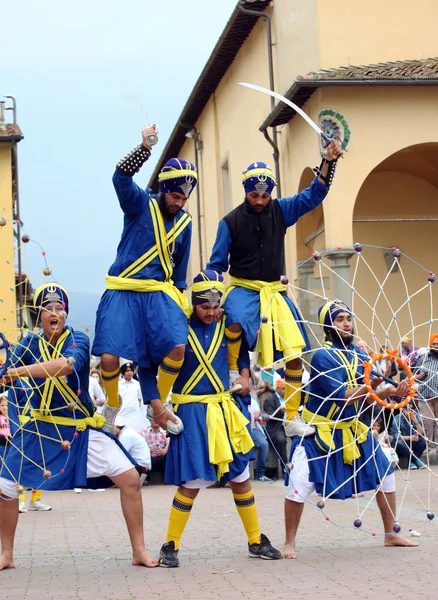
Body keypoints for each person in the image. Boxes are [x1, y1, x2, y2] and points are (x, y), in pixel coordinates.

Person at [0, 282, 158, 570]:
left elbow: (67, 365)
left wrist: (17, 371)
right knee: (4, 487)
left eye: (59, 308)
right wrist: (5, 371)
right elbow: (4, 373)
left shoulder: (78, 340)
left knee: (131, 480)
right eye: (47, 309)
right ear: (39, 315)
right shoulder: (29, 343)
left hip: (78, 429)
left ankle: (139, 551)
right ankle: (6, 555)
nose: (54, 313)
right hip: (40, 428)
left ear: (66, 313)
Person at [207, 140, 344, 440]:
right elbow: (216, 265)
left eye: (265, 195)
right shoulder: (228, 222)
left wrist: (328, 161)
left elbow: (314, 194)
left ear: (271, 193)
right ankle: (235, 371)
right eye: (254, 195)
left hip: (274, 291)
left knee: (296, 351)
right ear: (246, 191)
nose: (259, 200)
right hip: (243, 288)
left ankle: (292, 415)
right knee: (234, 318)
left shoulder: (281, 210)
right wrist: (212, 299)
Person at [158, 270, 281, 567]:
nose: (211, 312)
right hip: (192, 410)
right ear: (193, 303)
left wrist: (243, 376)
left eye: (215, 307)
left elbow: (240, 359)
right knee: (191, 481)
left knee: (240, 478)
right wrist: (159, 405)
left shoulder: (228, 325)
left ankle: (255, 540)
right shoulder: (179, 329)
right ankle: (170, 545)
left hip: (225, 409)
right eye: (204, 307)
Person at [283, 300, 418, 559]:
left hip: (353, 429)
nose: (346, 323)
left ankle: (391, 534)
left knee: (386, 474)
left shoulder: (358, 354)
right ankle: (289, 542)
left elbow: (365, 388)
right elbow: (342, 395)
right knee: (299, 482)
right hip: (320, 430)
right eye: (339, 319)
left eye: (348, 318)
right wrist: (383, 390)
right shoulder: (322, 356)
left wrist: (385, 381)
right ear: (328, 325)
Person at [92, 127, 196, 432]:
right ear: (164, 189)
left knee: (178, 347)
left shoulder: (186, 223)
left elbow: (179, 272)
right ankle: (113, 403)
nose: (179, 202)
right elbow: (120, 178)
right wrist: (144, 148)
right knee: (110, 358)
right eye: (175, 195)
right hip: (123, 289)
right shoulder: (140, 204)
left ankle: (158, 406)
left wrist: (179, 305)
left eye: (184, 198)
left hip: (158, 294)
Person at [414, 334, 438, 451]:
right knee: (427, 421)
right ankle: (428, 445)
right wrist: (421, 375)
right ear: (430, 345)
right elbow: (414, 375)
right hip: (425, 395)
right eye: (434, 344)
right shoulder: (423, 358)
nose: (436, 346)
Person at [391, 404, 426, 469]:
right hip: (403, 442)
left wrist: (415, 421)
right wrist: (409, 437)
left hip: (414, 441)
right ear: (403, 410)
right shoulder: (397, 418)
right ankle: (415, 460)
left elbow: (422, 433)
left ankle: (412, 461)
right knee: (399, 443)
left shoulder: (417, 417)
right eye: (407, 410)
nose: (409, 412)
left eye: (411, 410)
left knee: (424, 440)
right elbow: (396, 436)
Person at [263, 379, 288, 469]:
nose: (286, 391)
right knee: (280, 440)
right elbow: (270, 417)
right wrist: (281, 412)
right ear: (277, 389)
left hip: (290, 425)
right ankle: (285, 467)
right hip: (277, 427)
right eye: (284, 388)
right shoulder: (269, 400)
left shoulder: (289, 398)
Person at [117, 362, 146, 433]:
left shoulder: (137, 384)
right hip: (121, 414)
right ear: (123, 372)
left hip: (134, 414)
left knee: (136, 432)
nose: (129, 373)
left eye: (131, 371)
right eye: (127, 371)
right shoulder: (118, 384)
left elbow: (140, 399)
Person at [249, 394, 271, 483]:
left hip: (253, 429)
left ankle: (260, 474)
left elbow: (257, 416)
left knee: (263, 444)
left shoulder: (252, 401)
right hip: (237, 429)